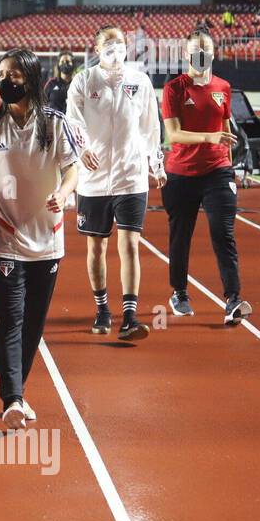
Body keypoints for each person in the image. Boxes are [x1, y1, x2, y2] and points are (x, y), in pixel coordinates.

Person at [0, 48, 80, 430]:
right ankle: (12, 397)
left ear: (30, 78)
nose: (5, 81)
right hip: (5, 238)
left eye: (14, 75)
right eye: (2, 74)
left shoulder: (54, 123)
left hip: (47, 238)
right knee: (8, 321)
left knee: (33, 322)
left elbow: (72, 169)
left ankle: (17, 390)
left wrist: (64, 195)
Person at [66, 26, 164, 340]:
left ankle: (131, 316)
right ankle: (102, 308)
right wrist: (82, 150)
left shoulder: (140, 81)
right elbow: (72, 120)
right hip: (94, 180)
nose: (115, 47)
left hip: (131, 176)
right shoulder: (83, 80)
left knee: (130, 244)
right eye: (108, 42)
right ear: (96, 48)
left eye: (120, 42)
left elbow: (151, 126)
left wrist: (156, 163)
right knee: (96, 247)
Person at [160, 29, 252, 325]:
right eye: (197, 49)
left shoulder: (223, 87)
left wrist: (228, 144)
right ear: (186, 54)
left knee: (223, 232)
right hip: (181, 174)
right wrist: (209, 136)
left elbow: (224, 129)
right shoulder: (174, 88)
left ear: (214, 52)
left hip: (217, 171)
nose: (202, 53)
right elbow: (172, 134)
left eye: (206, 48)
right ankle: (180, 292)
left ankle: (233, 299)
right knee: (180, 237)